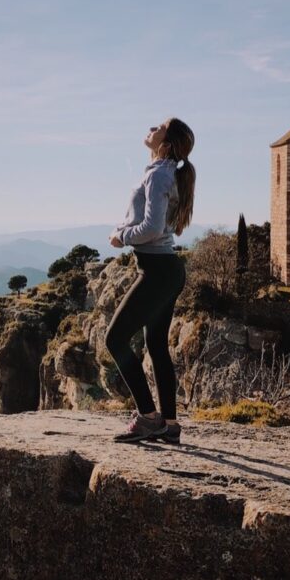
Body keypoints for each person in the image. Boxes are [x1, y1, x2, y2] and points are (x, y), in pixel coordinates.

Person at [106, 117, 196, 444]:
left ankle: (147, 417)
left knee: (114, 339)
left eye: (159, 125)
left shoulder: (159, 175)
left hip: (157, 270)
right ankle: (169, 424)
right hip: (167, 269)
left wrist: (121, 236)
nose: (151, 126)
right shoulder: (164, 173)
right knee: (155, 346)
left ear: (166, 144)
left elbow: (152, 228)